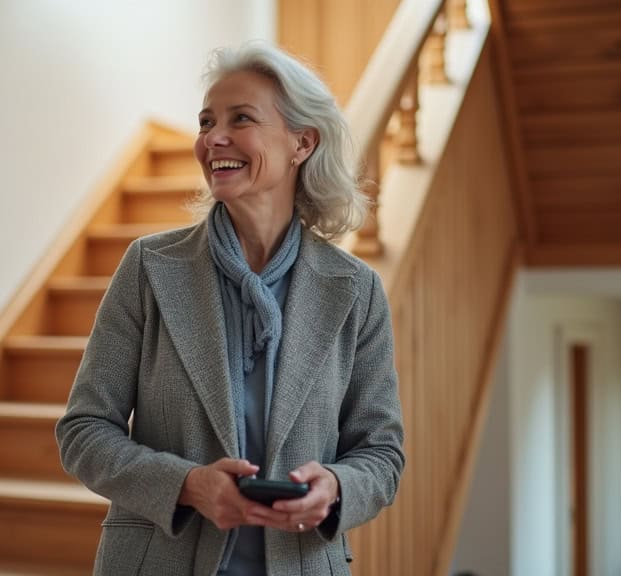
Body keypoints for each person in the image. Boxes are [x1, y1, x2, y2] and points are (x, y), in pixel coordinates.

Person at [56, 42, 405, 575]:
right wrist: (187, 485)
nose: (212, 139)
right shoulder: (149, 267)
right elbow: (83, 431)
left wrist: (336, 488)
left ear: (302, 142)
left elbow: (381, 454)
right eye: (206, 122)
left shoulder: (357, 291)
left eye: (240, 118)